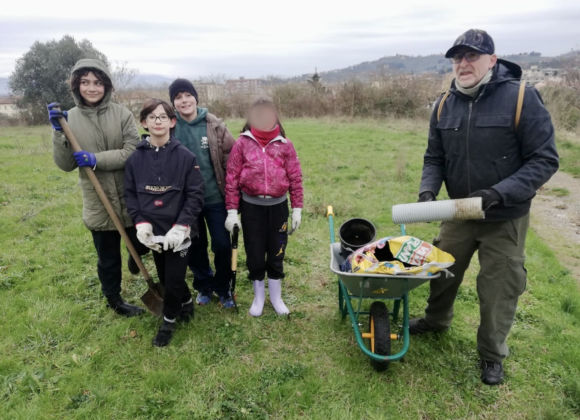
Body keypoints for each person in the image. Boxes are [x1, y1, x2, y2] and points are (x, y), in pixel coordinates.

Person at [414, 29, 559, 385]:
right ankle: (436, 321)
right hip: (458, 212)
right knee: (442, 272)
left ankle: (492, 355)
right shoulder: (444, 104)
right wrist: (428, 192)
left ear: (492, 60)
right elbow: (434, 157)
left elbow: (545, 160)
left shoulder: (522, 97)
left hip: (504, 216)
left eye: (472, 56)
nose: (463, 64)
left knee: (498, 288)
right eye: (457, 57)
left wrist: (499, 192)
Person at [49, 58, 149, 317]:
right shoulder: (69, 118)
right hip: (98, 199)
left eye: (97, 82)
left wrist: (96, 160)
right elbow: (65, 165)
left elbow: (132, 151)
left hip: (130, 196)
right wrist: (59, 133)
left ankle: (135, 256)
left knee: (141, 244)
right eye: (85, 82)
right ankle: (115, 300)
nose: (91, 88)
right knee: (108, 258)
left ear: (106, 85)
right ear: (76, 85)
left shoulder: (122, 114)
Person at [124, 99, 204, 346]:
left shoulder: (186, 157)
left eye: (162, 117)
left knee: (174, 279)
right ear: (144, 123)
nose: (157, 121)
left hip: (179, 232)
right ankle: (187, 303)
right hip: (154, 232)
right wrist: (141, 223)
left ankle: (169, 321)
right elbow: (131, 194)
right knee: (166, 275)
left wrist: (181, 227)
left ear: (172, 122)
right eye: (152, 117)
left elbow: (195, 195)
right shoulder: (135, 160)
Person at [225, 98, 304, 316]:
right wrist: (232, 212)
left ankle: (276, 297)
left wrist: (297, 208)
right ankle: (259, 297)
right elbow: (231, 179)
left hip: (278, 209)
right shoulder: (241, 144)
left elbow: (295, 177)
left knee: (277, 251)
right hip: (252, 210)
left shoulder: (285, 145)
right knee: (255, 254)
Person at [169, 79, 237, 308]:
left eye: (187, 95)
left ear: (196, 98)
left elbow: (233, 160)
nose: (184, 100)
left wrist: (234, 198)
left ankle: (223, 286)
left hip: (215, 198)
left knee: (222, 245)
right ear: (173, 103)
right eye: (178, 97)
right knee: (195, 245)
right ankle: (204, 285)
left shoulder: (215, 125)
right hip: (186, 202)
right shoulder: (170, 127)